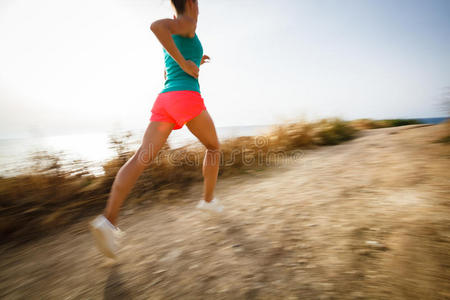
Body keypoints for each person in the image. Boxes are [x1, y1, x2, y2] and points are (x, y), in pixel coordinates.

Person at [90, 0, 223, 259]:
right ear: (190, 3)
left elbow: (167, 72)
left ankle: (108, 221)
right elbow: (155, 27)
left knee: (141, 156)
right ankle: (208, 202)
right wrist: (186, 65)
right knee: (214, 147)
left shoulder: (179, 30)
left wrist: (194, 60)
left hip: (166, 99)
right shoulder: (187, 22)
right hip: (185, 97)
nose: (199, 6)